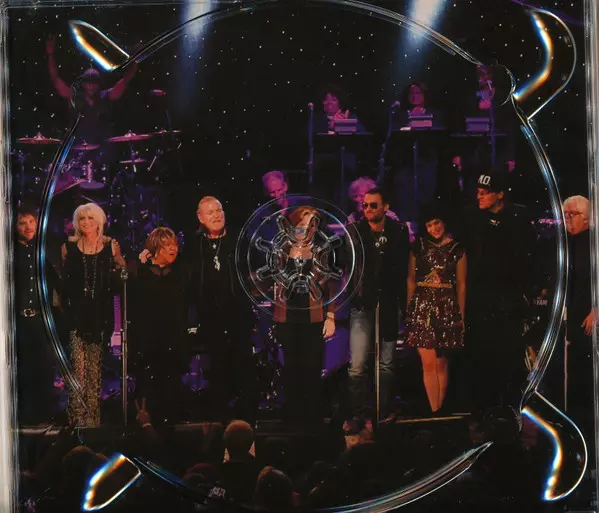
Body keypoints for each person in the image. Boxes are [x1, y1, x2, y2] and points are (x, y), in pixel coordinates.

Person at [462, 171, 534, 418]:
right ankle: (484, 407)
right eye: (478, 192)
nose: (479, 197)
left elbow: (526, 258)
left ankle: (509, 407)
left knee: (508, 353)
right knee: (482, 352)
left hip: (508, 299)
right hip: (480, 299)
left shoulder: (518, 218)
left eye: (485, 193)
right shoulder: (472, 218)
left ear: (500, 194)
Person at [262, 206, 337, 429]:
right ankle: (293, 418)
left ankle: (312, 419)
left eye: (312, 225)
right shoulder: (281, 251)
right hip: (287, 318)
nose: (307, 229)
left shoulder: (322, 251)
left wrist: (330, 316)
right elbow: (268, 280)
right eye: (303, 224)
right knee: (291, 368)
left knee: (312, 367)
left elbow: (332, 287)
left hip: (313, 318)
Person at [345, 188, 410, 428]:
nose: (368, 209)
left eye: (373, 205)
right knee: (357, 365)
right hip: (362, 304)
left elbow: (403, 269)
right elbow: (348, 266)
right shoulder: (355, 231)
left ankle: (382, 412)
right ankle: (357, 414)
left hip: (389, 303)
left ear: (385, 207)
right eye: (365, 205)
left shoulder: (398, 231)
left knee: (386, 364)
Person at [188, 196, 257, 422]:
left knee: (244, 369)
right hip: (211, 319)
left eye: (219, 210)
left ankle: (247, 423)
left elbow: (258, 270)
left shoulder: (239, 240)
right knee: (217, 371)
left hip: (238, 316)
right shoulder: (195, 245)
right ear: (200, 218)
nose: (216, 216)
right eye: (210, 212)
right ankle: (220, 424)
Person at [61, 202, 124, 427]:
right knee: (77, 369)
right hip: (76, 315)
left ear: (99, 222)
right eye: (82, 219)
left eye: (90, 218)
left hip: (100, 314)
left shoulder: (110, 246)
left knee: (94, 369)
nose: (86, 222)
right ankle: (76, 421)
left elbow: (122, 274)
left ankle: (92, 421)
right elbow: (65, 285)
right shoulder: (69, 247)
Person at [405, 206, 466, 414]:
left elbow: (462, 284)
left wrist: (461, 315)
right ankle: (434, 412)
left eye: (436, 223)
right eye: (429, 225)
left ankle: (439, 412)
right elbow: (410, 280)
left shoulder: (457, 249)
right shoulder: (418, 247)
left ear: (444, 222)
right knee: (428, 363)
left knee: (442, 364)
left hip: (447, 308)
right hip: (422, 308)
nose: (434, 228)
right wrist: (409, 309)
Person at [128, 227, 190, 424]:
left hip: (173, 341)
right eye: (167, 245)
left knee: (171, 391)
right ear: (155, 248)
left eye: (175, 245)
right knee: (148, 390)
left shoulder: (181, 273)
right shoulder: (140, 273)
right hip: (147, 343)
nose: (173, 249)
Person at [15, 205, 60, 424]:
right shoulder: (10, 252)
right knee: (23, 368)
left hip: (41, 319)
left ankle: (45, 414)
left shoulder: (43, 250)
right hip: (18, 320)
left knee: (43, 367)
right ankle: (25, 416)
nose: (28, 227)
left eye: (31, 221)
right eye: (22, 223)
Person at [563, 195, 595, 441]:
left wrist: (596, 309)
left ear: (585, 218)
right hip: (572, 317)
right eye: (565, 214)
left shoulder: (594, 243)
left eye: (571, 214)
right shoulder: (567, 243)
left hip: (589, 317)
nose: (567, 219)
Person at [313, 84, 367, 208]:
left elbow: (363, 136)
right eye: (326, 99)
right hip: (323, 167)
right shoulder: (317, 119)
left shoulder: (350, 116)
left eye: (333, 99)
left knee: (342, 199)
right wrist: (331, 127)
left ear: (340, 102)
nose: (329, 103)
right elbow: (311, 138)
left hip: (345, 167)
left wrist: (343, 124)